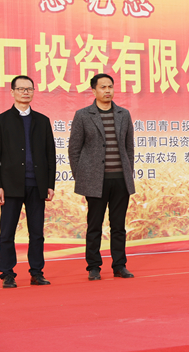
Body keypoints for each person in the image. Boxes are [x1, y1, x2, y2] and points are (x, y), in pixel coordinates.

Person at [0, 75, 56, 288]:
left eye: (29, 89)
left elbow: (50, 155)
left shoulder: (42, 121)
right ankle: (7, 274)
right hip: (10, 186)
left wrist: (50, 184)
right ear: (12, 92)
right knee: (7, 232)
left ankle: (36, 272)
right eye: (21, 89)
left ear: (33, 92)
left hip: (37, 185)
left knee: (37, 233)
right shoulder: (0, 121)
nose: (26, 92)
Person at [69, 73, 135, 280]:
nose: (107, 91)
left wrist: (128, 173)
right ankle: (94, 267)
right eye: (103, 87)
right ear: (94, 90)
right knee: (94, 225)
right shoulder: (83, 115)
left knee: (118, 226)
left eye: (110, 87)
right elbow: (74, 149)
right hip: (95, 181)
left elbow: (129, 148)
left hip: (120, 180)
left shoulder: (124, 114)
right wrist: (82, 177)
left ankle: (119, 265)